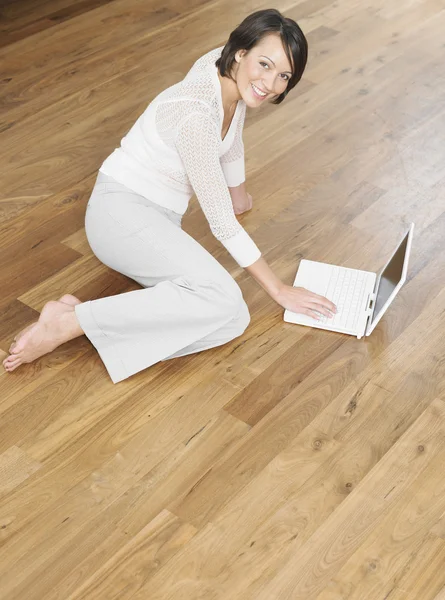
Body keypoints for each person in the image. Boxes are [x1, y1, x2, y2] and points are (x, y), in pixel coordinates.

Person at [3, 8, 336, 383]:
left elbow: (234, 128)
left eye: (283, 75)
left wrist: (238, 192)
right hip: (119, 213)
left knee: (233, 320)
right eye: (265, 64)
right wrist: (279, 290)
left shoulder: (227, 70)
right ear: (240, 51)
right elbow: (221, 223)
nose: (270, 83)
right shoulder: (194, 116)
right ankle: (71, 324)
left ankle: (77, 320)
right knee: (222, 296)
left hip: (159, 216)